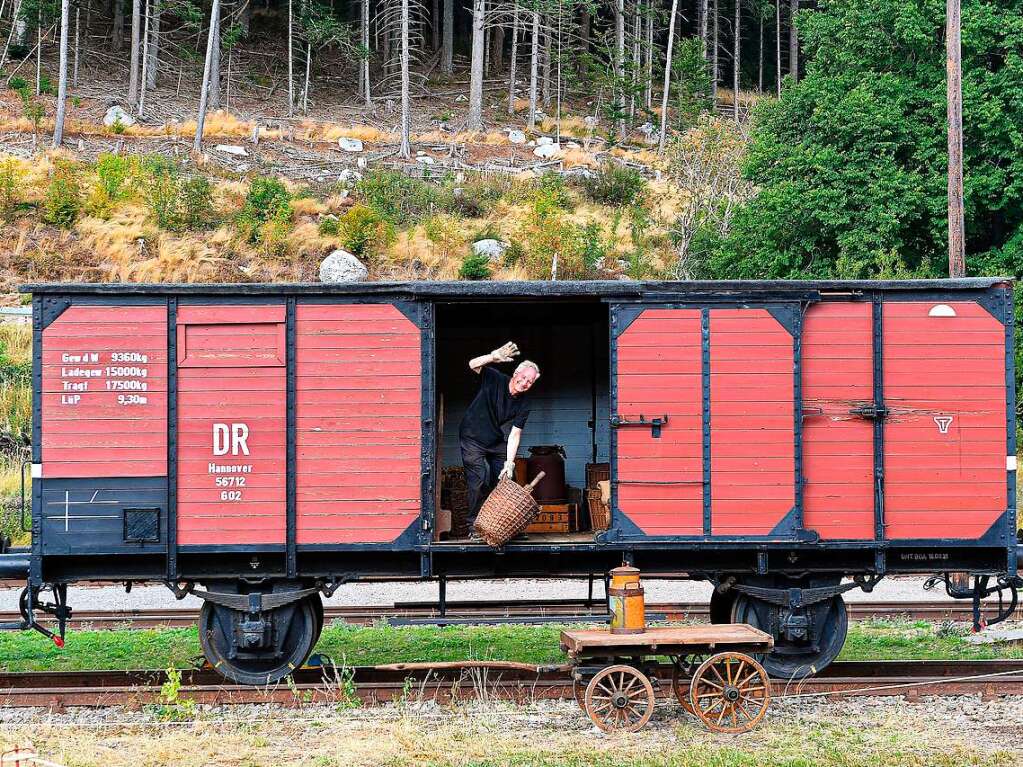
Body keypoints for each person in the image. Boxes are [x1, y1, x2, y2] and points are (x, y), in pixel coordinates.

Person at [459, 341, 540, 533]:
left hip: (494, 440)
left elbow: (515, 433)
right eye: (524, 377)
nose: (525, 382)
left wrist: (509, 464)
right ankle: (473, 527)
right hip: (471, 436)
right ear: (516, 373)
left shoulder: (524, 403)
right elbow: (472, 364)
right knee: (478, 480)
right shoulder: (495, 378)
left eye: (530, 381)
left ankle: (501, 526)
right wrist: (493, 357)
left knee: (505, 479)